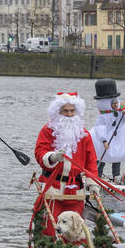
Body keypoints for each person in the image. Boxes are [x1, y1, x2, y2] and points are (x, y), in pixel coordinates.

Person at [33, 92, 100, 238]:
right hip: (53, 186)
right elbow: (39, 152)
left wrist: (92, 182)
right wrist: (52, 157)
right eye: (65, 111)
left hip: (75, 188)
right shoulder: (47, 130)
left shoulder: (84, 134)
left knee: (75, 228)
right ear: (58, 112)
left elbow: (91, 161)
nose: (69, 115)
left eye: (72, 111)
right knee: (49, 227)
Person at [90, 78, 125, 181]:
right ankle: (97, 175)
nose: (115, 104)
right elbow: (100, 127)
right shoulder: (102, 116)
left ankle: (116, 176)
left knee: (117, 157)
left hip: (119, 137)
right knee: (100, 155)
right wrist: (104, 140)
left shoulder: (119, 111)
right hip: (105, 139)